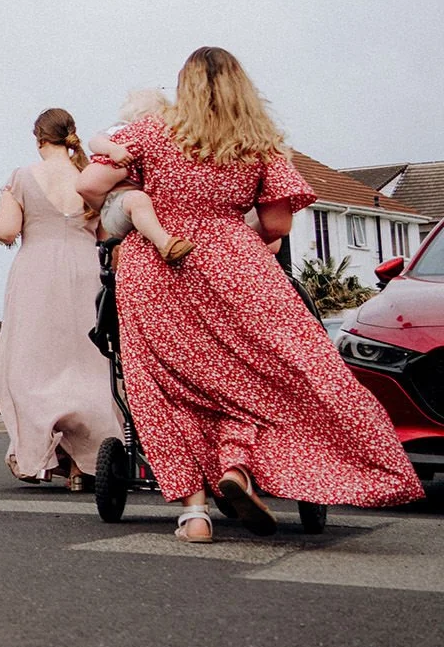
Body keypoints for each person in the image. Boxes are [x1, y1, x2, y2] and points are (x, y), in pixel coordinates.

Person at [76, 47, 423, 542]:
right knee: (256, 380)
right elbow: (278, 224)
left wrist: (138, 189)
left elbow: (90, 187)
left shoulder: (151, 132)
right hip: (239, 266)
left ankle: (194, 514)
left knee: (170, 387)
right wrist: (226, 231)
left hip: (156, 272)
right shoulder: (260, 143)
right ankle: (236, 469)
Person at [0, 107, 121, 487]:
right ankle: (85, 462)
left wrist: (2, 208)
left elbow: (6, 231)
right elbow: (106, 236)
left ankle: (43, 451)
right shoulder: (88, 178)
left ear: (39, 138)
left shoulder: (23, 177)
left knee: (33, 362)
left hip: (37, 274)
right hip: (85, 273)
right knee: (87, 364)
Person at [90, 88, 193, 264]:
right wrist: (113, 149)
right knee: (137, 200)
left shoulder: (160, 137)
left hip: (141, 206)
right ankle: (165, 244)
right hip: (118, 200)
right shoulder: (121, 129)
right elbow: (94, 142)